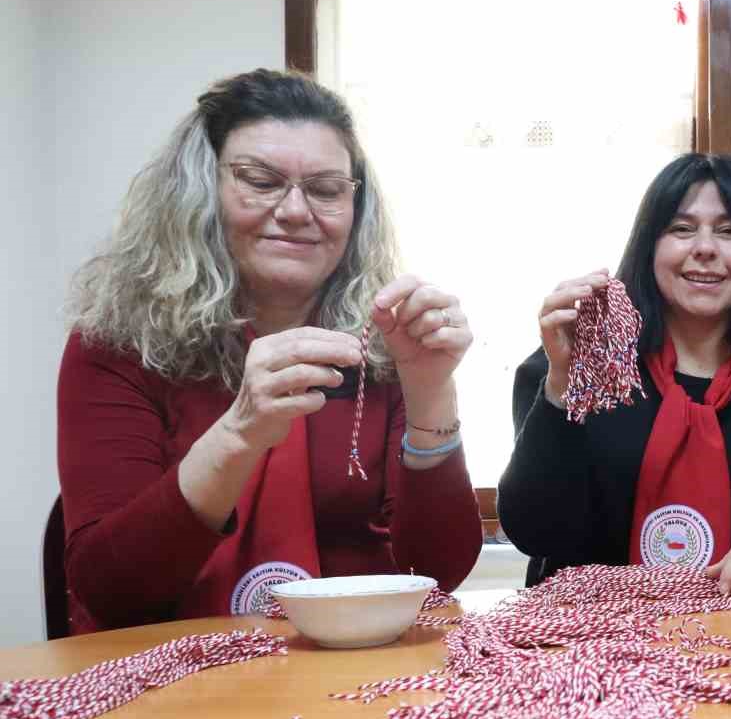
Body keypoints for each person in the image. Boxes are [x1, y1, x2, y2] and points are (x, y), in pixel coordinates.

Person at [57, 69, 481, 634]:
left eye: (326, 190)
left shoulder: (386, 343)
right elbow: (111, 593)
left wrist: (430, 390)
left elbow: (434, 572)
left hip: (355, 669)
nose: (297, 210)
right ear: (201, 192)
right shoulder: (118, 341)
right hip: (171, 673)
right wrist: (239, 433)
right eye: (260, 181)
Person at [499, 153, 731, 594]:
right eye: (681, 228)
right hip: (588, 629)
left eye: (729, 231)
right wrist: (565, 384)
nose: (705, 248)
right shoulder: (569, 369)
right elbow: (533, 532)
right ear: (649, 247)